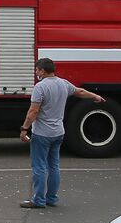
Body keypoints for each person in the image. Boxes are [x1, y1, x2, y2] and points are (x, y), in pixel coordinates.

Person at [18, 57, 104, 209]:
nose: (36, 72)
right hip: (58, 133)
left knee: (39, 167)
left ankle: (38, 200)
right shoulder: (63, 83)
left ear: (42, 71)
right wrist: (95, 96)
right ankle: (51, 198)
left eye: (37, 70)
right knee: (54, 166)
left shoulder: (40, 87)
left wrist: (24, 128)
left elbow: (33, 112)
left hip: (42, 133)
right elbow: (80, 91)